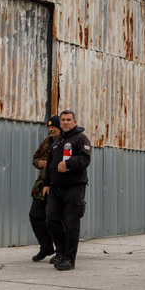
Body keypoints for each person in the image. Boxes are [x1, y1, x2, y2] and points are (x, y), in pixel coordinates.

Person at [41, 110, 92, 271]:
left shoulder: (81, 139)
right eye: (63, 120)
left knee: (71, 224)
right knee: (51, 220)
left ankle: (69, 259)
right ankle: (61, 253)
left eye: (69, 120)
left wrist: (68, 164)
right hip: (55, 189)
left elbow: (85, 159)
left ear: (74, 122)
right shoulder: (57, 140)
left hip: (73, 188)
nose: (65, 122)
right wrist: (46, 183)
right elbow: (50, 164)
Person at [28, 115, 60, 262]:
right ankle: (46, 246)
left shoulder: (65, 142)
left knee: (55, 219)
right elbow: (35, 157)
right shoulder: (47, 141)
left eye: (54, 127)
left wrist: (50, 164)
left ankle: (61, 252)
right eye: (49, 127)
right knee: (35, 215)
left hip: (57, 185)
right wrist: (39, 163)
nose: (51, 129)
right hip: (41, 186)